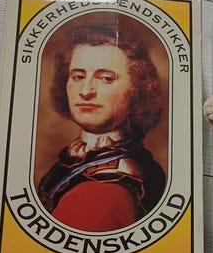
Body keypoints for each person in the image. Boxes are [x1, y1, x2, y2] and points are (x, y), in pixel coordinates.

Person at [38, 18, 166, 232]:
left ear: (137, 88)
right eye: (78, 76)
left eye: (106, 78)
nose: (86, 91)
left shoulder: (109, 188)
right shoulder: (77, 155)